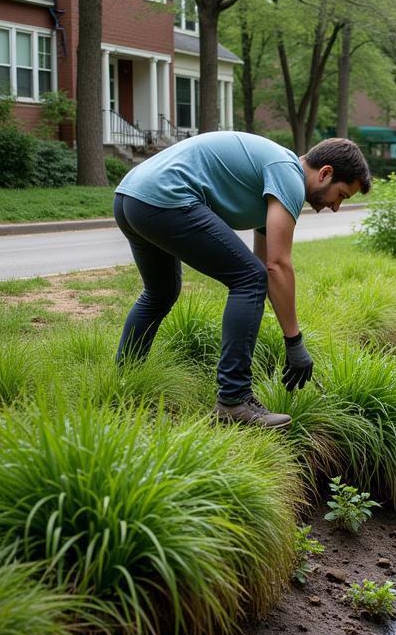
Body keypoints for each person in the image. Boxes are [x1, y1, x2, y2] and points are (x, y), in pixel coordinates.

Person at [113, 131, 371, 428]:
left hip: (130, 197)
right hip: (164, 197)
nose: (336, 207)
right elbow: (275, 267)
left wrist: (288, 333)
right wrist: (294, 341)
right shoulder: (288, 175)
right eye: (341, 195)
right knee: (248, 279)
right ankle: (233, 400)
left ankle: (125, 381)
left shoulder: (276, 173)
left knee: (161, 292)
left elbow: (265, 265)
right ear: (325, 173)